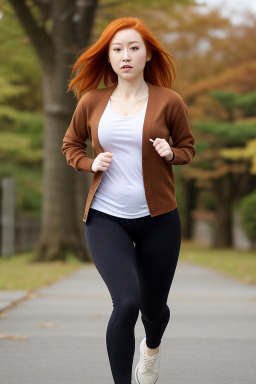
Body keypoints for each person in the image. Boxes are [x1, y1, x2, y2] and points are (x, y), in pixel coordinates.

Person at [61, 17, 196, 384]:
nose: (125, 56)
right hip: (106, 218)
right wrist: (90, 162)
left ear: (147, 54)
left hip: (160, 219)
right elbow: (71, 144)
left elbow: (188, 148)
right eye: (117, 49)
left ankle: (151, 349)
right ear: (107, 57)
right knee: (126, 303)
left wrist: (171, 153)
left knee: (153, 310)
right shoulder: (91, 101)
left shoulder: (170, 101)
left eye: (134, 48)